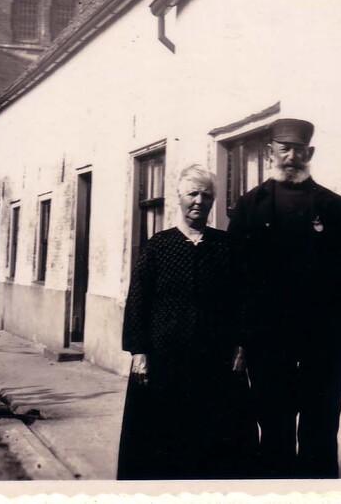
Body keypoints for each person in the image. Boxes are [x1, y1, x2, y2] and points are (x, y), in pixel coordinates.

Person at [227, 118, 341, 478]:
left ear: (310, 153)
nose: (290, 157)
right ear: (270, 152)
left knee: (319, 430)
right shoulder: (249, 206)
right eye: (284, 149)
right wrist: (240, 339)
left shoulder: (332, 206)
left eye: (298, 150)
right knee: (273, 429)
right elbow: (234, 278)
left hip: (324, 343)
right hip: (267, 341)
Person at [117, 164, 256, 479]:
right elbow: (138, 300)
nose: (199, 201)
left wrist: (242, 345)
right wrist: (139, 352)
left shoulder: (227, 246)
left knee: (217, 442)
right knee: (163, 439)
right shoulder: (158, 246)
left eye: (206, 195)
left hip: (215, 362)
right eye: (193, 193)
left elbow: (243, 300)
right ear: (178, 197)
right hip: (166, 363)